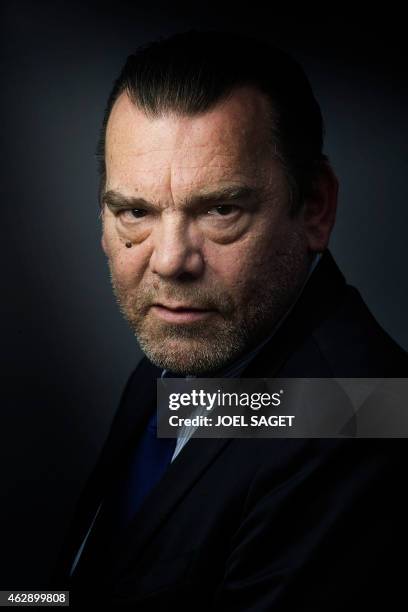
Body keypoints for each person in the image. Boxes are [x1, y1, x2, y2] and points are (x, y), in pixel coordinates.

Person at [52, 30, 408, 609]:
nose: (169, 263)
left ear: (314, 207)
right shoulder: (182, 355)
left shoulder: (362, 425)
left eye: (221, 209)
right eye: (136, 212)